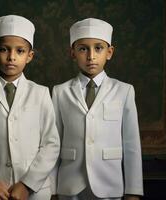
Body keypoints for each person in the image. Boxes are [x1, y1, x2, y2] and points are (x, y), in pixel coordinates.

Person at [0, 15, 60, 200]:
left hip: (34, 191)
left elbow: (51, 144)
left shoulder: (41, 93)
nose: (11, 57)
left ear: (29, 56)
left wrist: (26, 184)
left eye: (20, 51)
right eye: (4, 49)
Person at [51, 18, 144, 200]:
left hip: (110, 185)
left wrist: (133, 190)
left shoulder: (124, 91)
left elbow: (132, 144)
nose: (91, 56)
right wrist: (52, 189)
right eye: (83, 49)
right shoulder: (60, 92)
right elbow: (53, 143)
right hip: (69, 186)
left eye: (98, 48)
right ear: (72, 53)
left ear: (109, 52)